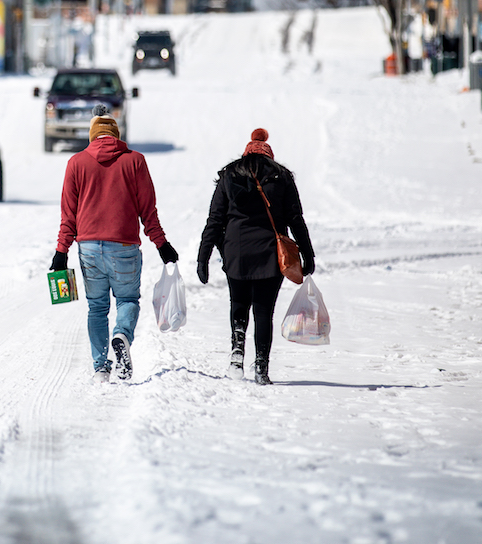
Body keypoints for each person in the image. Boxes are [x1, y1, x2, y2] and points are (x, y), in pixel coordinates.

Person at [51, 108, 179, 383]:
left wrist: (61, 252)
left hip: (88, 248)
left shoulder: (76, 163)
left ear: (92, 135)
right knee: (127, 300)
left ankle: (100, 368)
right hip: (124, 246)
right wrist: (162, 244)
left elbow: (68, 215)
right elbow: (149, 211)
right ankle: (122, 334)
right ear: (116, 135)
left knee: (97, 308)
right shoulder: (136, 161)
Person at [196, 129, 314, 385]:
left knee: (238, 303)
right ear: (269, 155)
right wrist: (307, 253)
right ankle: (261, 366)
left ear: (246, 152)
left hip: (235, 252)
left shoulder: (229, 175)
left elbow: (215, 220)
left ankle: (237, 354)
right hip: (270, 254)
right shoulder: (281, 177)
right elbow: (296, 219)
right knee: (263, 311)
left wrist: (202, 258)